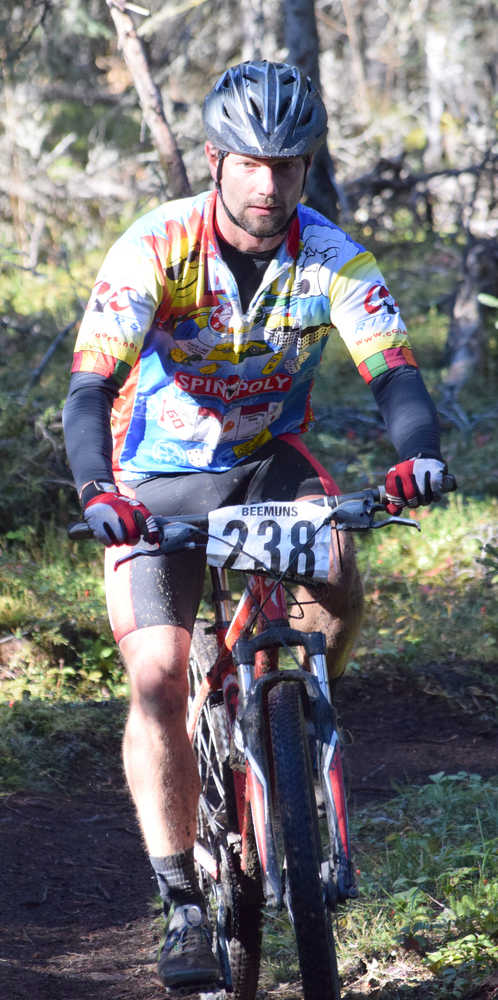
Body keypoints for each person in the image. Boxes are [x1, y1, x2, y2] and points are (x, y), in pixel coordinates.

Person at [63, 59, 449, 995]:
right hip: (154, 475)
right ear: (215, 159)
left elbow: (393, 373)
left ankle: (300, 710)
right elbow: (89, 388)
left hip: (266, 461)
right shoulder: (153, 247)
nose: (269, 183)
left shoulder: (330, 256)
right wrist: (94, 488)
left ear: (308, 167)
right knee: (156, 680)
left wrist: (418, 452)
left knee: (342, 573)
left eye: (289, 164)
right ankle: (181, 901)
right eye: (251, 163)